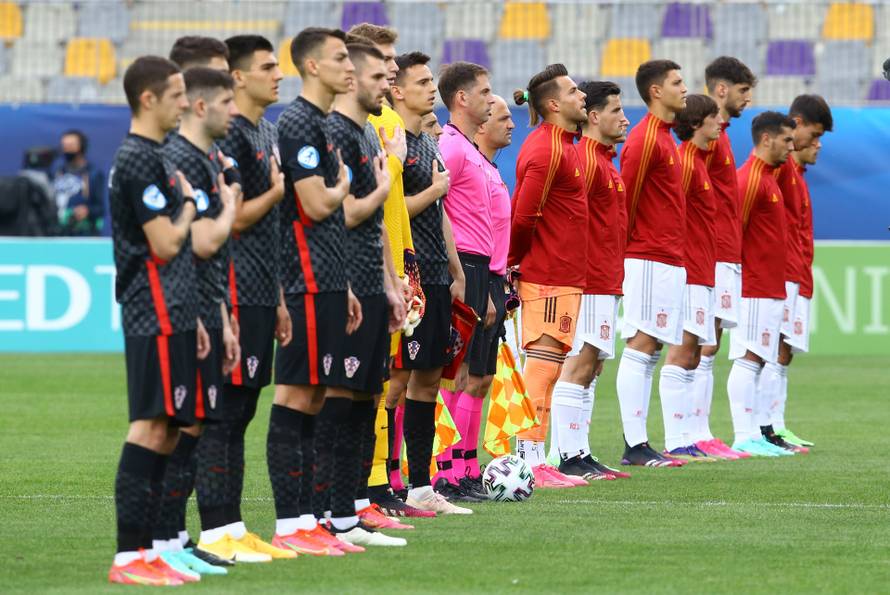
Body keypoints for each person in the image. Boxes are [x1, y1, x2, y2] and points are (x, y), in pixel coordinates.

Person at [107, 55, 205, 586]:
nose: (184, 104)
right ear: (148, 99)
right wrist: (187, 204)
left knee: (167, 428)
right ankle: (129, 557)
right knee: (150, 426)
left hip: (176, 308)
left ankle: (149, 550)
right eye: (175, 94)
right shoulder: (138, 159)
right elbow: (165, 242)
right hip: (154, 308)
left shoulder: (154, 156)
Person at [197, 35, 293, 563]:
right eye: (267, 66)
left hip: (261, 289)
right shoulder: (229, 133)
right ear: (237, 76)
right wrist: (275, 191)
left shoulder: (267, 131)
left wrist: (277, 296)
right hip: (231, 287)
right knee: (225, 414)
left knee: (243, 411)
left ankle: (232, 527)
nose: (278, 74)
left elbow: (271, 228)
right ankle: (216, 530)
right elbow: (235, 219)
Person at [317, 42, 411, 543]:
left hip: (373, 282)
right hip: (344, 283)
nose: (388, 85)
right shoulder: (335, 133)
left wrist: (392, 283)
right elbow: (346, 213)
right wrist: (388, 175)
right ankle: (325, 513)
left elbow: (373, 223)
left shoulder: (366, 133)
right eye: (379, 76)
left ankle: (351, 511)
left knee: (367, 396)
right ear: (352, 78)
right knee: (340, 397)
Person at [159, 67, 245, 576]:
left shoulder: (207, 158)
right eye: (227, 102)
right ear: (200, 105)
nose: (234, 111)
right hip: (181, 312)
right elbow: (202, 243)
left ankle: (176, 539)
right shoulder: (179, 160)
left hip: (209, 308)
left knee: (194, 426)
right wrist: (230, 206)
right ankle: (162, 540)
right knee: (176, 428)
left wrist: (223, 318)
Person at [345, 23, 431, 521]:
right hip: (369, 266)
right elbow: (372, 193)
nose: (393, 67)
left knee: (386, 380)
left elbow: (391, 202)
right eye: (385, 58)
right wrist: (395, 163)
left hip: (396, 259)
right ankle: (365, 488)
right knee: (369, 385)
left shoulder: (387, 119)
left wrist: (405, 260)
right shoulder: (364, 123)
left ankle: (377, 483)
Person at [389, 50, 471, 514]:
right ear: (397, 90)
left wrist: (455, 269)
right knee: (395, 382)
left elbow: (439, 213)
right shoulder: (393, 140)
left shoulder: (426, 141)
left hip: (437, 276)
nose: (430, 90)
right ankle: (381, 483)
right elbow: (393, 209)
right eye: (421, 82)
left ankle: (420, 487)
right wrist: (434, 191)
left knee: (427, 381)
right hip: (409, 276)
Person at [510, 64, 590, 488]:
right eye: (574, 91)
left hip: (564, 273)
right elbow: (523, 215)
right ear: (554, 104)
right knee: (541, 369)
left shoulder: (564, 145)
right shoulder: (546, 149)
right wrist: (514, 261)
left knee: (552, 368)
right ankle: (528, 460)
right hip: (546, 274)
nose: (583, 96)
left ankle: (536, 459)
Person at [548, 80, 630, 480]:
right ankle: (566, 455)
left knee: (592, 367)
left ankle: (580, 450)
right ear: (594, 116)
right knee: (579, 364)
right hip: (589, 279)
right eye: (616, 110)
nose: (625, 118)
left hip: (606, 278)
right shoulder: (586, 159)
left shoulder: (604, 161)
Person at [616, 60, 688, 468]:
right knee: (641, 342)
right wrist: (623, 253)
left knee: (653, 346)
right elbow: (626, 200)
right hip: (646, 256)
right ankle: (634, 443)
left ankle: (640, 441)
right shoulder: (644, 139)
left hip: (667, 256)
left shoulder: (665, 137)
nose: (684, 88)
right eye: (677, 82)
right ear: (656, 91)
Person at [691, 56, 757, 459]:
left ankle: (701, 431)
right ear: (721, 89)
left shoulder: (723, 135)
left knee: (709, 343)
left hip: (724, 252)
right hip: (711, 252)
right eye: (743, 90)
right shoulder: (706, 136)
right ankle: (692, 432)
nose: (747, 99)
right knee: (702, 342)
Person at [435, 60, 495, 499]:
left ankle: (462, 469)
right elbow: (437, 207)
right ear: (462, 98)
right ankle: (446, 471)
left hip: (478, 267)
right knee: (452, 375)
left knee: (471, 373)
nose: (491, 99)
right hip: (462, 266)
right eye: (485, 92)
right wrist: (455, 270)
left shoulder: (469, 148)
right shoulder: (451, 147)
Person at [762, 95, 833, 450]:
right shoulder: (779, 169)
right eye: (814, 135)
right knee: (773, 349)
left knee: (784, 351)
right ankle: (764, 429)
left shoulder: (797, 174)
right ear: (798, 123)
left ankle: (776, 425)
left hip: (796, 273)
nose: (816, 143)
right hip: (781, 273)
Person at [727, 111, 796, 457]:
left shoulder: (769, 178)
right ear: (766, 139)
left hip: (769, 285)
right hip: (753, 286)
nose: (791, 147)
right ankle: (743, 435)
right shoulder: (750, 179)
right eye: (786, 140)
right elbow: (734, 234)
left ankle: (756, 432)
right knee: (748, 358)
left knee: (760, 360)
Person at [662, 94, 722, 462]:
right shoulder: (685, 162)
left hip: (702, 269)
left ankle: (686, 436)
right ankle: (675, 439)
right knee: (683, 351)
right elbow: (672, 217)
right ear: (698, 122)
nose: (720, 124)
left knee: (695, 354)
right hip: (688, 271)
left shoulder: (698, 161)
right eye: (714, 117)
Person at [469, 93, 516, 477]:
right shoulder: (466, 160)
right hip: (476, 277)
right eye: (502, 118)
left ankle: (466, 468)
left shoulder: (489, 168)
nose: (511, 124)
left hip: (496, 278)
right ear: (482, 124)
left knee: (482, 379)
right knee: (462, 378)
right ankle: (447, 470)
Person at [52, 129, 105, 235]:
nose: (67, 149)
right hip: (59, 233)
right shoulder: (57, 172)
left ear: (82, 147)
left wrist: (87, 211)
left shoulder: (93, 174)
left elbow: (101, 208)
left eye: (71, 146)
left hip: (84, 233)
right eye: (64, 146)